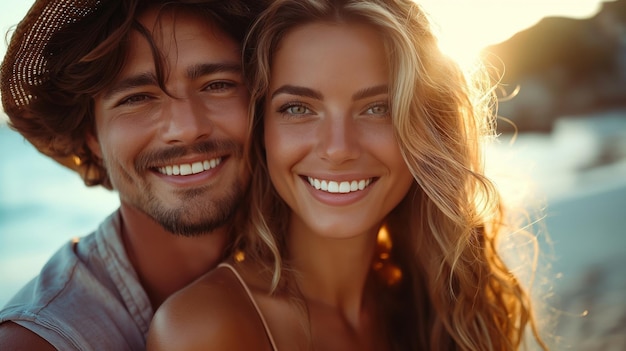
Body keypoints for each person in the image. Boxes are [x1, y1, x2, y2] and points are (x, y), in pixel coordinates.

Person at [147, 0, 549, 350]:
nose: (338, 148)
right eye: (298, 108)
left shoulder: (429, 306)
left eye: (377, 108)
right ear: (262, 131)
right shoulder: (206, 329)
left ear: (429, 128)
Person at [0, 0, 265, 350]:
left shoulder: (328, 273)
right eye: (137, 97)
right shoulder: (40, 341)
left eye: (217, 85)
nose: (186, 128)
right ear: (91, 136)